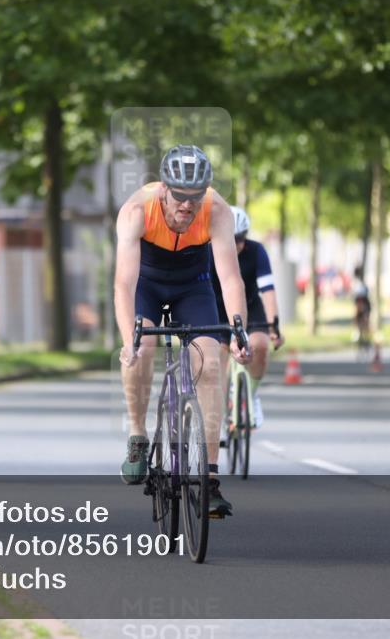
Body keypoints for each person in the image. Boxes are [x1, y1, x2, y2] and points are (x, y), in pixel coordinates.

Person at [114, 144, 249, 518]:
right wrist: (130, 339)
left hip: (194, 284)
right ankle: (138, 436)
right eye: (180, 196)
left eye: (196, 195)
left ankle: (209, 479)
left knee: (209, 364)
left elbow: (230, 279)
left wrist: (239, 331)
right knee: (139, 350)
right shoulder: (137, 210)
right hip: (147, 284)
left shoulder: (216, 210)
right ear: (163, 190)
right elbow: (123, 285)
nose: (188, 205)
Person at [209, 206, 285, 427]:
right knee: (220, 359)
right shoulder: (210, 251)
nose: (237, 245)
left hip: (251, 308)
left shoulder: (257, 251)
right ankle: (221, 417)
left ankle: (251, 396)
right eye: (231, 239)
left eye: (241, 239)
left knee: (259, 346)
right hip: (219, 310)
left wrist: (274, 326)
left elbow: (268, 291)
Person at [352, 266, 371, 343]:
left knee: (365, 318)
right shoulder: (355, 283)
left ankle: (366, 333)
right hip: (359, 300)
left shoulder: (362, 284)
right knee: (356, 315)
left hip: (365, 302)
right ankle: (357, 331)